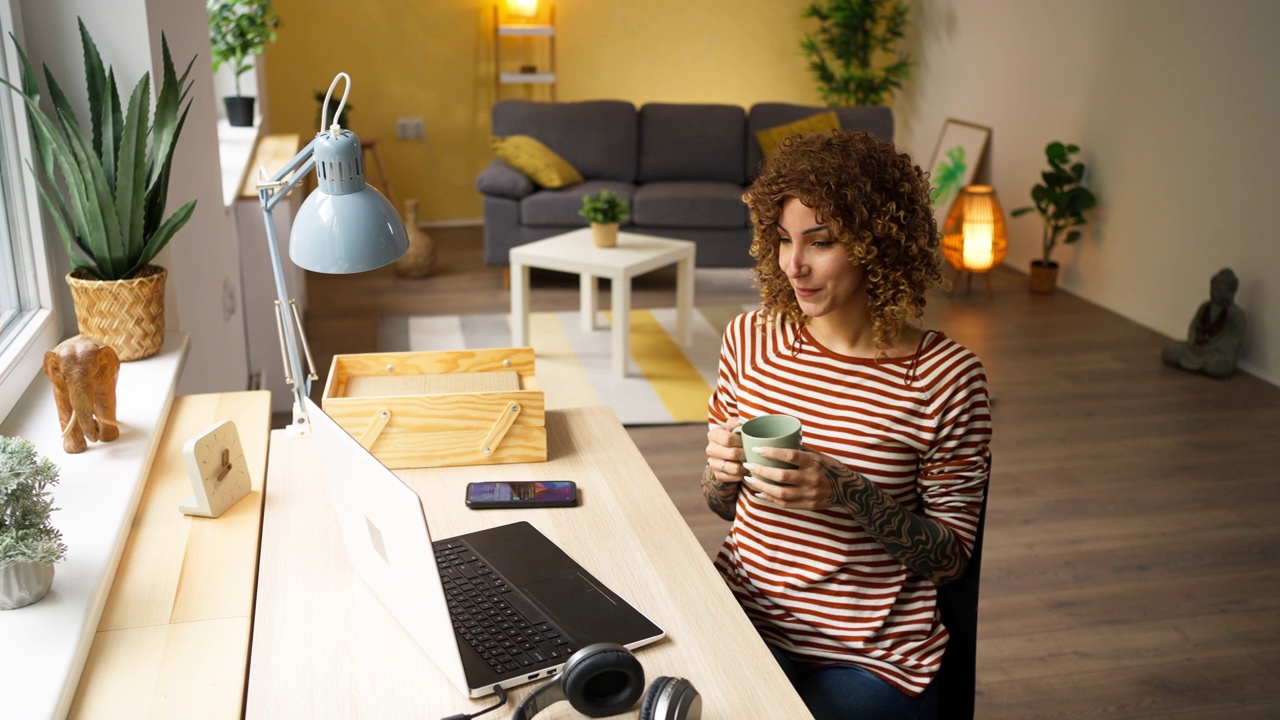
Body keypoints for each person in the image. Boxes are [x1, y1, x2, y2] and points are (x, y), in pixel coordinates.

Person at [701, 130, 992, 719]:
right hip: (747, 614)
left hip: (871, 653)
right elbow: (723, 507)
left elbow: (950, 558)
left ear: (878, 244)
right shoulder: (750, 339)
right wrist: (720, 472)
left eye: (821, 241)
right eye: (783, 240)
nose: (795, 264)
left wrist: (845, 490)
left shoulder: (945, 377)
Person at [1161, 268, 1245, 378]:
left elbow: (1234, 339)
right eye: (1213, 288)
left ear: (1230, 292)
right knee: (1169, 351)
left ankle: (1209, 365)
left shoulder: (1236, 314)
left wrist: (1213, 347)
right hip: (1196, 348)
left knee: (1216, 367)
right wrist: (1192, 339)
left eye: (1220, 290)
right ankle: (1197, 363)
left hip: (1215, 352)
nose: (1215, 292)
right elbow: (1194, 326)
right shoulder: (1205, 307)